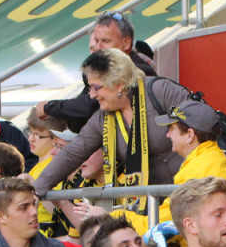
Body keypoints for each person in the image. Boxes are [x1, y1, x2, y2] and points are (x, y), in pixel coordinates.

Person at [32, 49, 190, 199]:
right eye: (89, 88)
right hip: (146, 204)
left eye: (95, 88)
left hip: (189, 192)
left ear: (119, 84)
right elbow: (72, 153)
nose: (92, 95)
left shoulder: (160, 92)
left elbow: (200, 124)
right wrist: (36, 189)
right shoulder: (103, 117)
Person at [35, 13, 157, 133]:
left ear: (126, 43)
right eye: (97, 41)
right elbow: (76, 122)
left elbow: (88, 106)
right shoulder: (100, 72)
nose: (98, 47)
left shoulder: (139, 70)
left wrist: (49, 107)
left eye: (106, 41)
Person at [157, 98, 226, 223]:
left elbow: (165, 220)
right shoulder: (211, 157)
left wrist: (131, 219)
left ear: (190, 134)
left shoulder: (199, 167)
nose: (168, 134)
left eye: (171, 128)